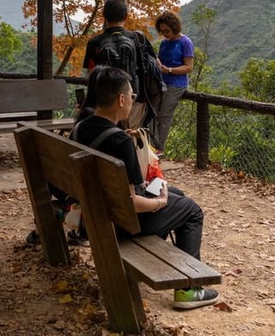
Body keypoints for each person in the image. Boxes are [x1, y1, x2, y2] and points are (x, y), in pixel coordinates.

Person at [72, 66, 217, 311]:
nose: (132, 100)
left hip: (92, 218)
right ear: (120, 99)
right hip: (119, 225)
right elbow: (131, 203)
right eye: (131, 96)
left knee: (177, 196)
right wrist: (159, 202)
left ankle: (169, 266)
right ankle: (189, 288)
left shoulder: (80, 128)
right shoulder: (120, 141)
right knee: (191, 209)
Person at [82, 0, 149, 129]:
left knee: (106, 134)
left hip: (104, 99)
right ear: (126, 17)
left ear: (104, 17)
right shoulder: (136, 39)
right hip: (132, 97)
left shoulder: (95, 42)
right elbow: (143, 68)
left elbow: (91, 73)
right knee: (130, 134)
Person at [153, 11, 194, 152]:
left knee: (164, 115)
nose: (165, 34)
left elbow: (189, 67)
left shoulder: (185, 42)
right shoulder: (164, 43)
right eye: (162, 31)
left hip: (176, 83)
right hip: (161, 82)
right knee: (153, 113)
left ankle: (159, 148)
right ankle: (151, 146)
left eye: (167, 31)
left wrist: (169, 70)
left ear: (174, 27)